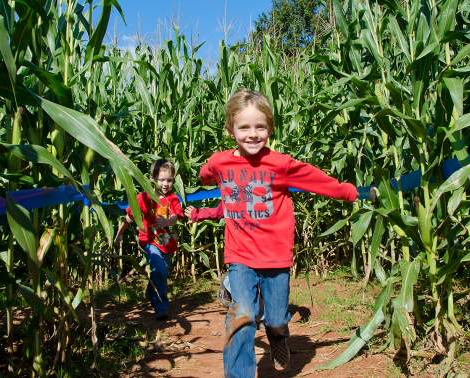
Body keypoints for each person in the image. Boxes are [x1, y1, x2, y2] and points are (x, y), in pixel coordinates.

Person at [198, 89, 359, 376]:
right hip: (241, 257)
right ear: (231, 129)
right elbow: (206, 173)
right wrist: (207, 175)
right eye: (244, 127)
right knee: (242, 317)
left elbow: (315, 179)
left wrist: (347, 192)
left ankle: (277, 338)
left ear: (270, 128)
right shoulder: (222, 161)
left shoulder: (280, 164)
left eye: (260, 126)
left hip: (275, 257)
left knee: (275, 319)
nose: (252, 134)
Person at [114, 159, 184, 321]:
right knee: (159, 268)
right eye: (161, 179)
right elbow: (130, 217)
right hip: (149, 240)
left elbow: (176, 216)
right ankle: (162, 307)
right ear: (152, 179)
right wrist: (119, 234)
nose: (165, 183)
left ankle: (151, 291)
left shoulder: (173, 198)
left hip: (167, 240)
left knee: (162, 272)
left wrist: (168, 221)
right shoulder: (143, 198)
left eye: (169, 180)